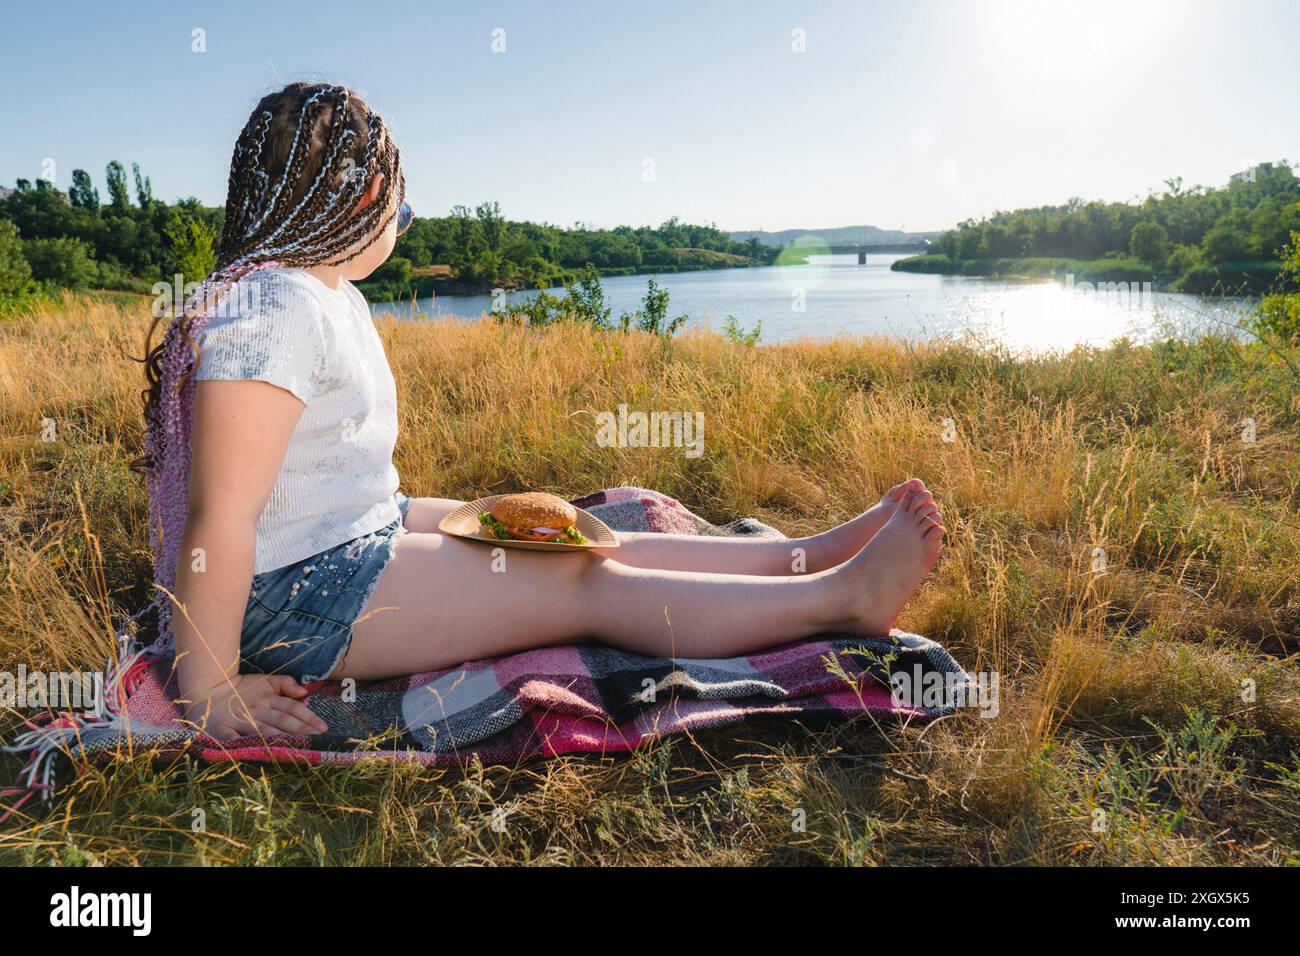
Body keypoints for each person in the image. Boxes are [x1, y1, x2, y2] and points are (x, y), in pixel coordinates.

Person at [136, 82, 944, 742]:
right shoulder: (275, 307)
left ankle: (807, 556)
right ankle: (839, 601)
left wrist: (421, 518)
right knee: (582, 579)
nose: (402, 226)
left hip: (355, 538)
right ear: (373, 198)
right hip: (301, 599)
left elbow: (325, 482)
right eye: (403, 213)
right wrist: (208, 691)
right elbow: (223, 518)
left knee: (581, 534)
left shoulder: (323, 293)